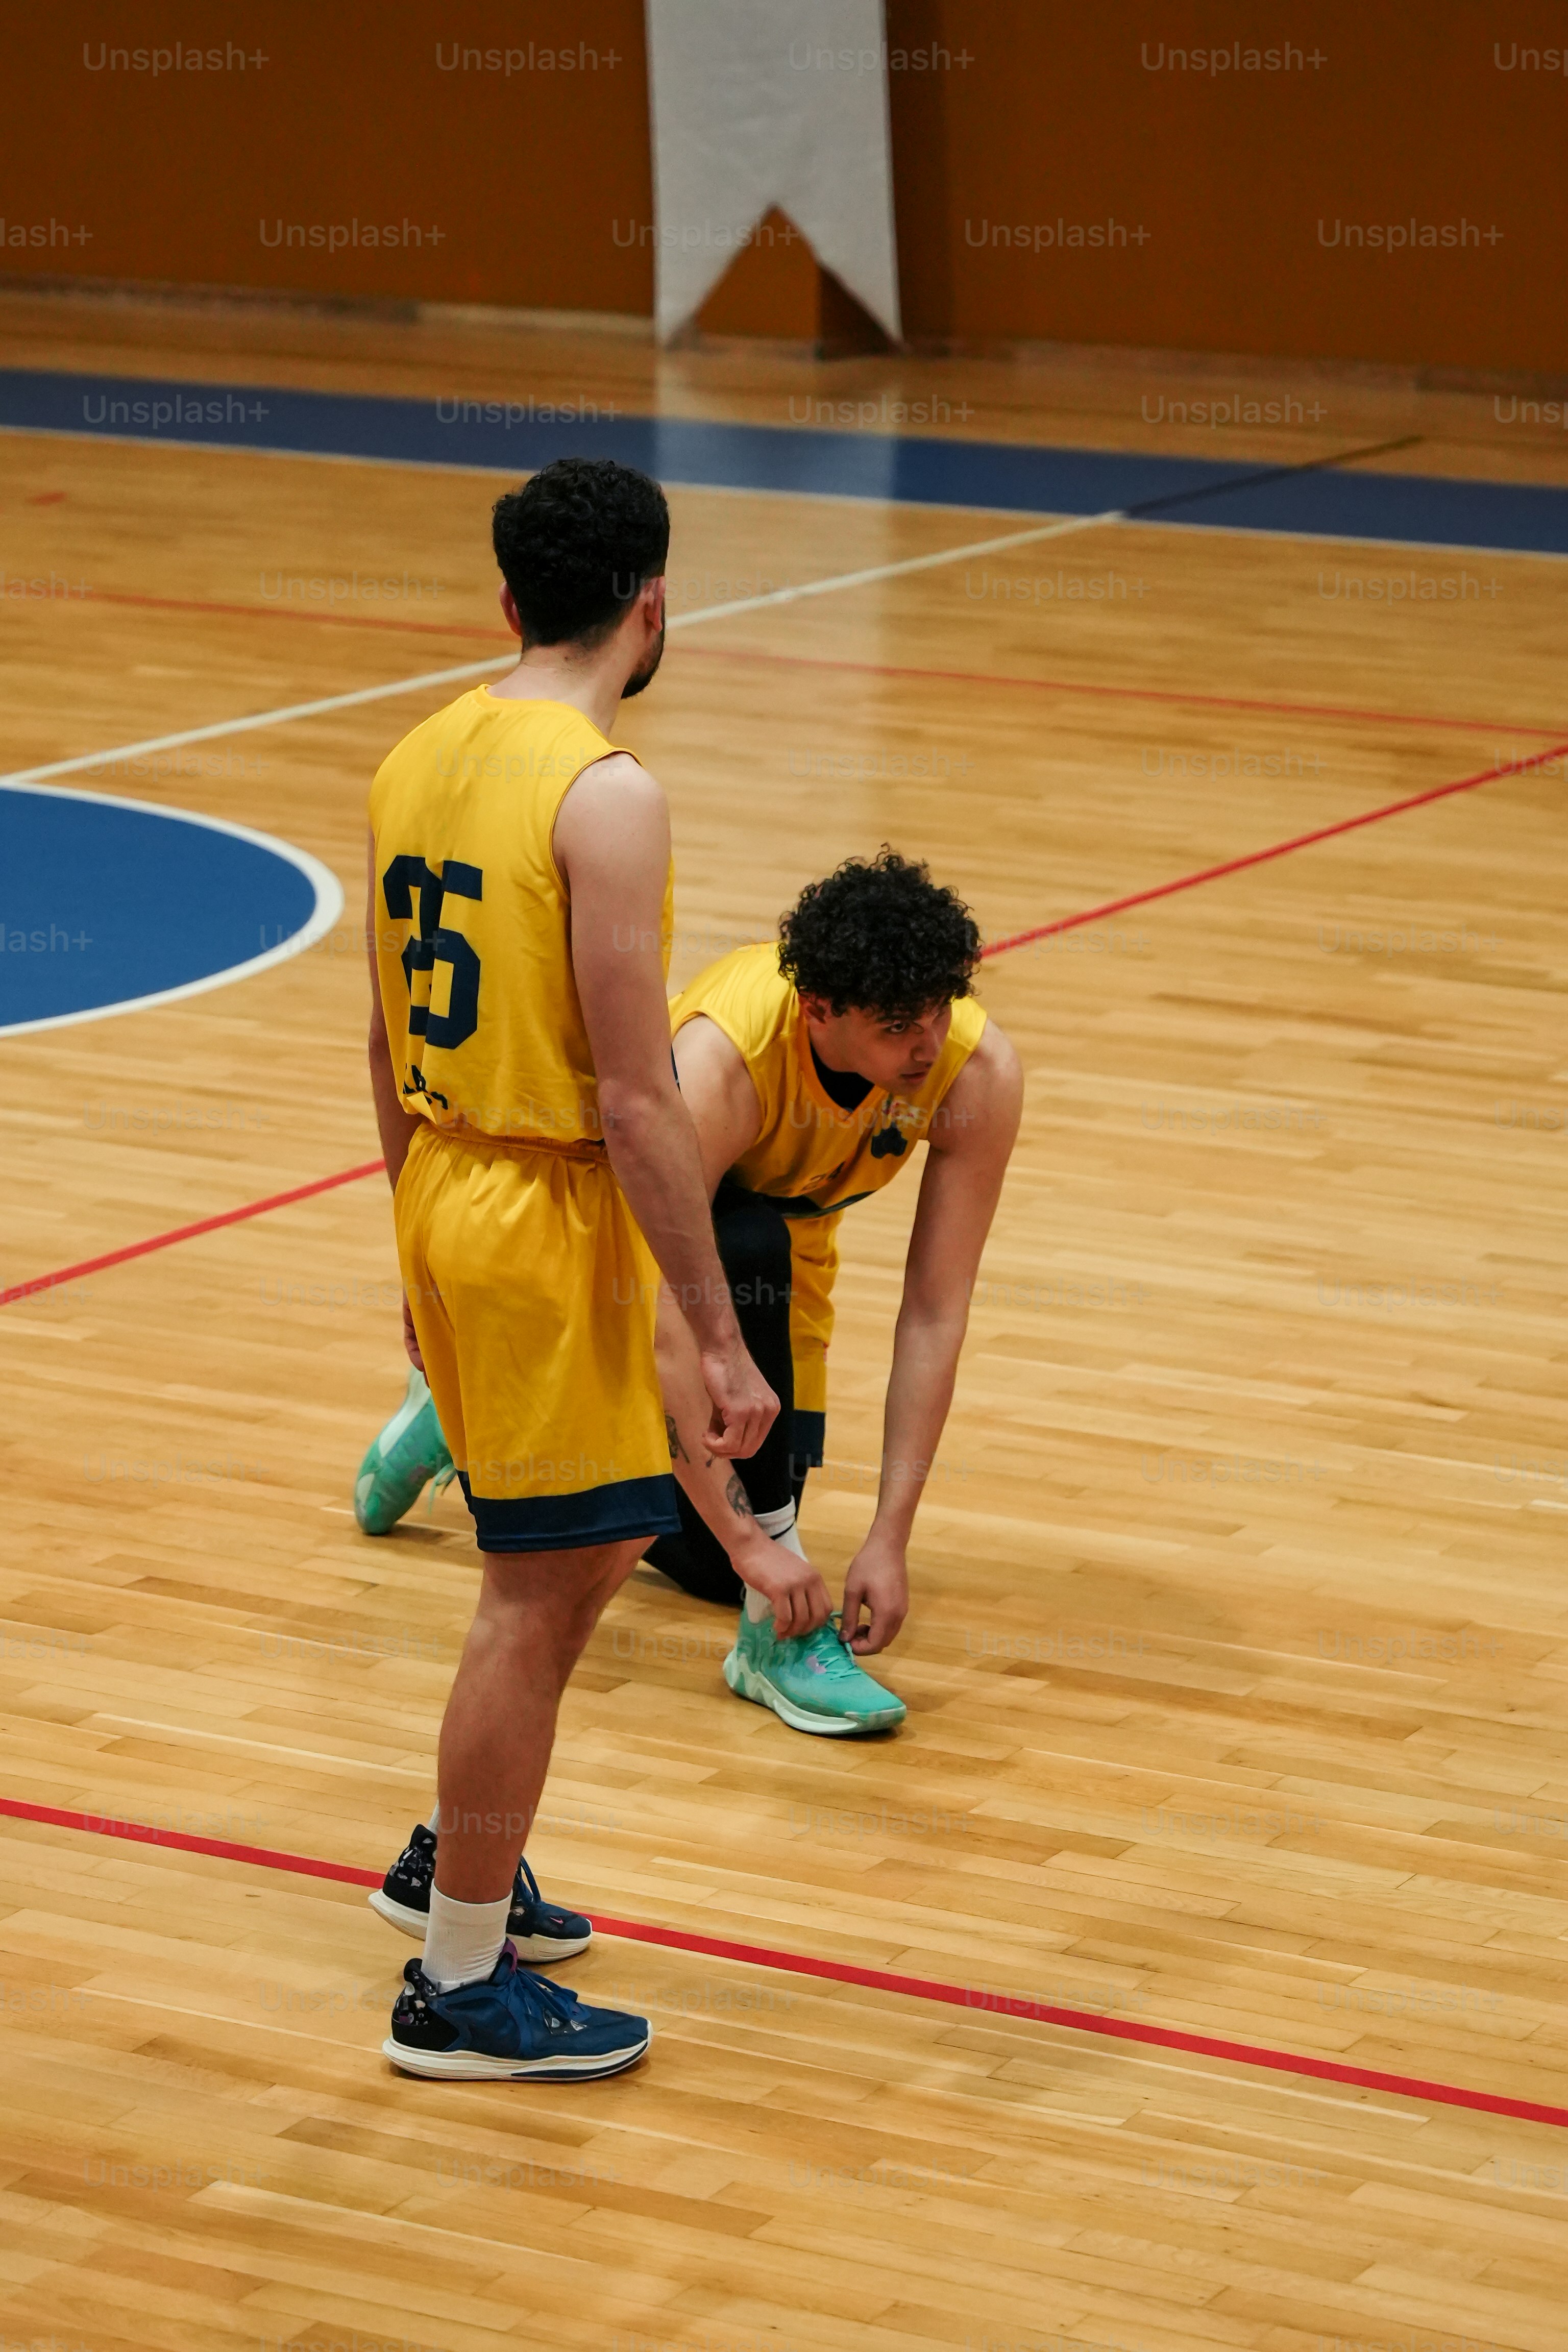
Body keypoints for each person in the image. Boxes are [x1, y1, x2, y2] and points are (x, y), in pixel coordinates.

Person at [363, 454, 826, 2084]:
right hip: (546, 1202)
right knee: (536, 1586)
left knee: (593, 1542)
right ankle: (457, 1983)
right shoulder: (606, 791)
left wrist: (410, 1245)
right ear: (651, 606)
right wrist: (719, 1333)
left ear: (506, 602)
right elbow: (639, 1100)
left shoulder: (419, 751)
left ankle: (458, 1853)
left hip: (449, 1181)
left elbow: (378, 1036)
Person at [359, 848, 1022, 1738]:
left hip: (781, 1248)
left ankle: (455, 1413)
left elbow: (936, 1312)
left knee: (719, 1566)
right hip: (618, 1250)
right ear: (818, 1009)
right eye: (902, 1024)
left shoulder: (975, 1076)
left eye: (942, 1009)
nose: (931, 1042)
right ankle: (769, 1646)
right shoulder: (722, 1063)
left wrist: (888, 1534)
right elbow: (660, 1299)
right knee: (740, 1260)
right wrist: (763, 1545)